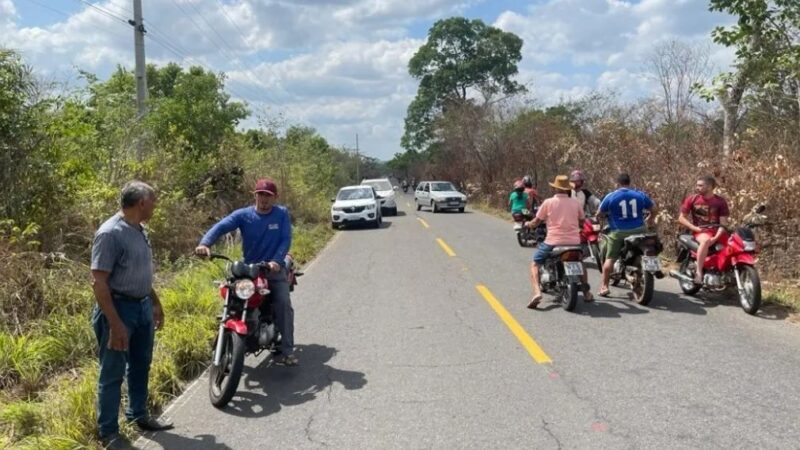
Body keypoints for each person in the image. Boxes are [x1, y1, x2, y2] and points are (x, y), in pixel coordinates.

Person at [91, 181, 173, 450]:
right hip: (118, 309)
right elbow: (99, 283)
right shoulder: (110, 233)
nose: (155, 205)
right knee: (112, 372)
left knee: (141, 364)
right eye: (153, 200)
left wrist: (155, 303)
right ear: (141, 203)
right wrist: (115, 324)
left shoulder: (139, 230)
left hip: (141, 307)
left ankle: (138, 414)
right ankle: (109, 433)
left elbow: (138, 273)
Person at [195, 179, 297, 366]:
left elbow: (285, 239)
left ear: (275, 197)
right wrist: (205, 243)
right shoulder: (243, 215)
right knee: (233, 293)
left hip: (273, 269)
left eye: (268, 195)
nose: (263, 199)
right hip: (249, 269)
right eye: (260, 194)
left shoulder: (281, 214)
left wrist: (276, 260)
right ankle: (232, 336)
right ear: (254, 195)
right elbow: (221, 226)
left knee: (282, 303)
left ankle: (288, 350)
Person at [525, 175, 593, 308]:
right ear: (568, 188)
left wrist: (528, 224)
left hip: (553, 242)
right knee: (580, 262)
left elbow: (537, 221)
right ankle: (586, 293)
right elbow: (582, 221)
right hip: (574, 242)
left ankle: (537, 292)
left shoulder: (548, 202)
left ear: (555, 189)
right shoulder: (576, 203)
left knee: (534, 263)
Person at [596, 173, 656, 297]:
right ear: (629, 182)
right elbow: (654, 209)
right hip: (640, 230)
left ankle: (604, 286)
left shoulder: (611, 196)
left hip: (619, 232)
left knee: (609, 259)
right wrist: (650, 219)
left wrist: (600, 218)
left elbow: (599, 213)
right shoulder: (640, 195)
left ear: (617, 183)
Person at [678, 175, 730, 285]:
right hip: (701, 231)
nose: (697, 187)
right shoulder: (692, 199)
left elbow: (723, 223)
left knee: (733, 245)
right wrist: (694, 228)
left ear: (710, 186)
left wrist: (716, 238)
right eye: (697, 185)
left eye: (701, 185)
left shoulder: (720, 201)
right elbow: (681, 218)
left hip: (717, 231)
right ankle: (699, 272)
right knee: (706, 241)